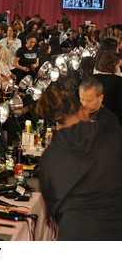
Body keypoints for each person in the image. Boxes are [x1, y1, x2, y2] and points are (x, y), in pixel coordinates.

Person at [36, 85, 122, 241]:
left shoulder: (50, 154)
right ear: (81, 111)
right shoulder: (108, 133)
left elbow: (52, 206)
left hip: (74, 232)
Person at [93, 52, 122, 125]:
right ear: (113, 65)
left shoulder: (93, 78)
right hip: (114, 118)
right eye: (118, 65)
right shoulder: (118, 81)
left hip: (95, 117)